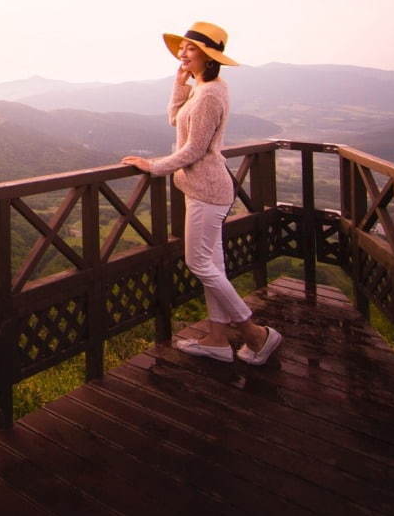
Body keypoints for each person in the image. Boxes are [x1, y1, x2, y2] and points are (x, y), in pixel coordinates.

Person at [121, 21, 282, 365]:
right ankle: (218, 341)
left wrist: (155, 166)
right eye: (182, 47)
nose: (182, 53)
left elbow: (195, 148)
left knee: (198, 263)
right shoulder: (204, 87)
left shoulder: (210, 93)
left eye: (190, 49)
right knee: (213, 265)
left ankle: (255, 333)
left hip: (207, 190)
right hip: (201, 188)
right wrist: (179, 86)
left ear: (208, 57)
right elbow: (175, 120)